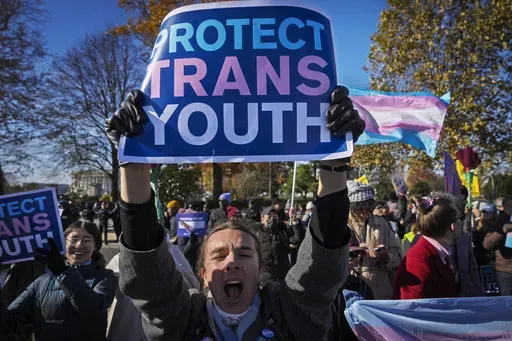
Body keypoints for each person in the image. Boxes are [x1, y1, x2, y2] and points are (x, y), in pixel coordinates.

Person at [103, 85, 365, 340]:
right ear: (203, 274)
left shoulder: (290, 313)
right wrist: (134, 165)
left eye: (244, 253)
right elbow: (148, 275)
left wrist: (334, 161)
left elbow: (321, 269)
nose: (231, 261)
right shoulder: (183, 320)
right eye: (218, 255)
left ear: (261, 268)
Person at [1, 221, 117, 341]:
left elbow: (92, 309)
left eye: (87, 240)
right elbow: (8, 325)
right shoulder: (42, 282)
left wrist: (62, 271)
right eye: (74, 239)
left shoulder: (105, 277)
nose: (79, 245)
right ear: (63, 244)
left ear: (96, 246)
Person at [106, 233, 200, 341]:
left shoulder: (174, 254)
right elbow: (107, 285)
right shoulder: (121, 258)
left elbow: (193, 284)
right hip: (129, 324)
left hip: (162, 325)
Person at [394, 196, 460, 299]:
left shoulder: (436, 252)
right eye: (459, 219)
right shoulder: (418, 258)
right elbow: (413, 307)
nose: (462, 222)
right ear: (453, 226)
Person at [346, 181, 403, 299]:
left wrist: (385, 256)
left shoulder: (382, 224)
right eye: (359, 210)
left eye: (368, 209)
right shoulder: (341, 225)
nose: (364, 214)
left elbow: (399, 255)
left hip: (379, 289)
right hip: (349, 287)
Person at [483, 195, 512, 296]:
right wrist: (502, 231)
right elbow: (487, 244)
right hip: (506, 271)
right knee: (507, 306)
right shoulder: (501, 220)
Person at [260, 206, 292, 281]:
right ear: (262, 219)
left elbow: (296, 238)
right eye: (269, 217)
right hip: (265, 277)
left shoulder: (282, 231)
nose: (272, 220)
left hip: (282, 275)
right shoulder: (258, 234)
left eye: (274, 217)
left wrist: (295, 222)